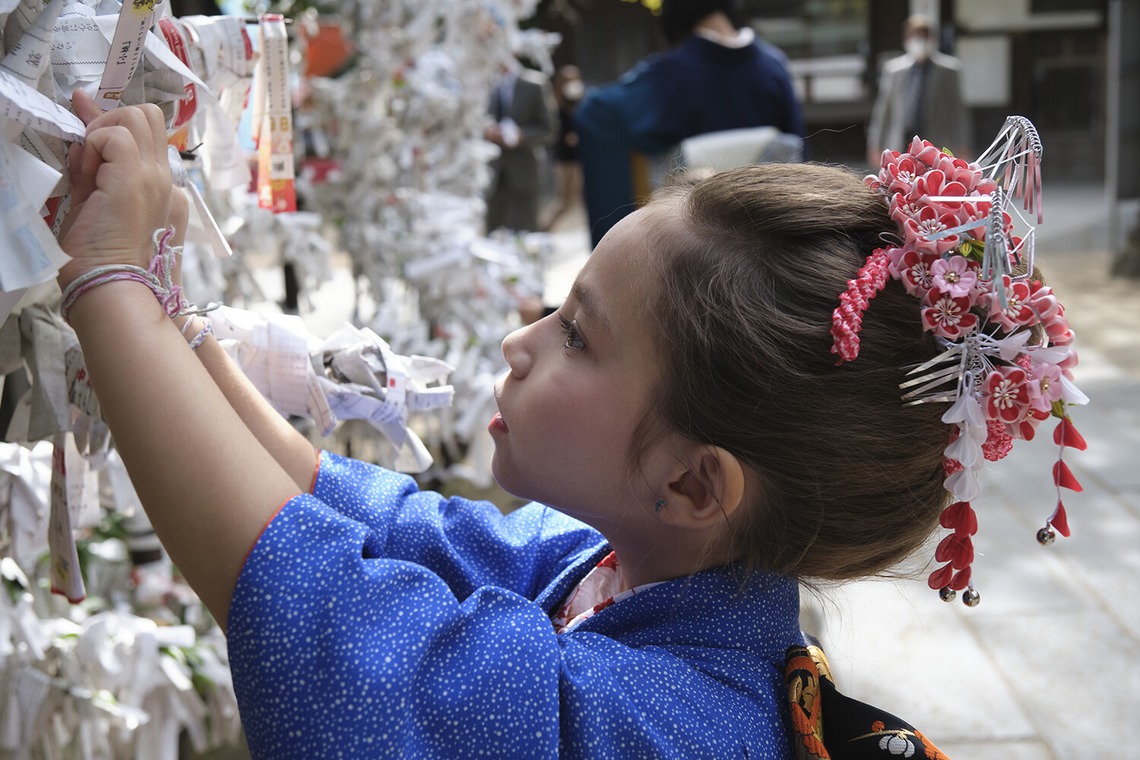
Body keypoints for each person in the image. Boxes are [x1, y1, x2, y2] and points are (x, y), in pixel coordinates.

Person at [58, 88, 1081, 758]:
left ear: (692, 482)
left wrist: (107, 288)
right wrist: (162, 301)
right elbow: (328, 503)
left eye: (578, 335)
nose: (522, 341)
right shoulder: (617, 567)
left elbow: (303, 596)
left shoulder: (663, 727)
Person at [575, 0, 806, 247]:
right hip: (770, 230)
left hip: (702, 240)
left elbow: (595, 113)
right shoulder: (774, 65)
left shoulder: (672, 71)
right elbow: (800, 155)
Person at [866, 14, 971, 166]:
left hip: (935, 143)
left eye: (923, 36)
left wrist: (963, 144)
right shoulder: (894, 70)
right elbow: (883, 111)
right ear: (906, 39)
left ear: (931, 39)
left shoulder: (948, 70)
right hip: (901, 142)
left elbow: (957, 111)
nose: (919, 41)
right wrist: (875, 145)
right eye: (914, 36)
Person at [484, 57, 557, 233]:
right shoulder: (483, 83)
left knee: (527, 230)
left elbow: (549, 129)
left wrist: (521, 136)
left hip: (523, 170)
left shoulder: (535, 83)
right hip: (492, 173)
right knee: (492, 234)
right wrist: (486, 131)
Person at [540, 64, 585, 232]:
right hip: (565, 159)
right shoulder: (555, 105)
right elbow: (553, 133)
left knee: (577, 199)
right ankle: (544, 228)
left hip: (579, 157)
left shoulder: (579, 102)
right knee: (564, 200)